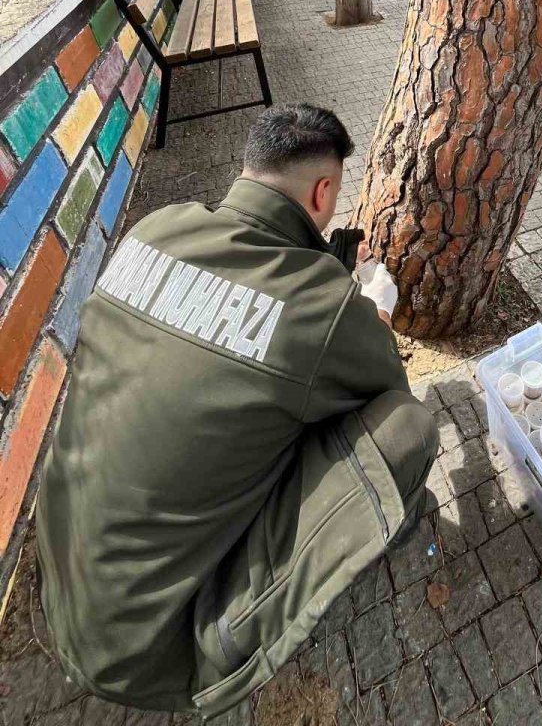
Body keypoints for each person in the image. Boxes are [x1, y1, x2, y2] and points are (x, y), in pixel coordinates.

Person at [36, 104, 438, 720]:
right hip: (154, 651)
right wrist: (371, 311)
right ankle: (226, 644)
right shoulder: (323, 306)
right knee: (406, 428)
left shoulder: (154, 228)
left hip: (64, 585)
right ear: (324, 190)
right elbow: (386, 383)